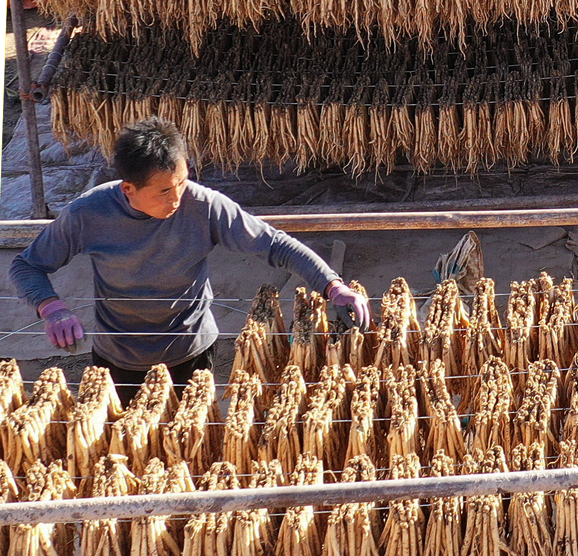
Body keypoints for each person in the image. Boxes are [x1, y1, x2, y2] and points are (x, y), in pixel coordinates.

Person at [9, 117, 370, 403]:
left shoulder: (203, 205)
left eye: (182, 182)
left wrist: (332, 286)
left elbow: (274, 245)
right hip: (118, 360)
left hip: (191, 354)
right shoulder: (88, 213)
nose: (177, 197)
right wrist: (51, 307)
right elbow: (27, 265)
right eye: (164, 190)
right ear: (128, 189)